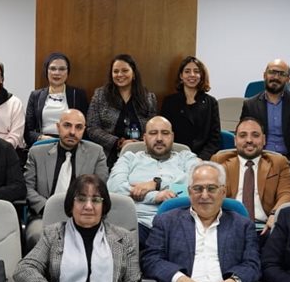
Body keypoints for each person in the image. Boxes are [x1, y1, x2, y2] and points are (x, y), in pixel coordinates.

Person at [106, 115, 199, 246]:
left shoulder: (186, 158)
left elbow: (199, 184)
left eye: (165, 133)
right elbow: (113, 187)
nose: (159, 138)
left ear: (172, 137)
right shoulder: (129, 158)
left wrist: (156, 183)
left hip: (179, 223)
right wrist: (155, 196)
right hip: (138, 223)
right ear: (144, 138)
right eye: (153, 133)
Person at [23, 109, 109, 247]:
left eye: (78, 127)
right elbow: (27, 188)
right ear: (58, 127)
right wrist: (48, 207)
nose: (72, 132)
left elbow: (100, 190)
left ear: (84, 130)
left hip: (84, 216)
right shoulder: (37, 153)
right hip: (44, 215)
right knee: (37, 234)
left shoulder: (96, 153)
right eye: (67, 125)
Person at [211, 117, 290, 227]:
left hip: (264, 227)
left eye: (255, 135)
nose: (249, 140)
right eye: (243, 135)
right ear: (235, 140)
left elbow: (287, 194)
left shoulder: (278, 163)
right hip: (229, 226)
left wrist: (275, 214)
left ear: (264, 140)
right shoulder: (219, 162)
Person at [240, 58, 290, 176]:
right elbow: (243, 136)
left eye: (281, 74)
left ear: (288, 79)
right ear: (264, 75)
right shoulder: (250, 105)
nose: (276, 77)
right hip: (259, 161)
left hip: (289, 163)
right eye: (272, 72)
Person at [86, 53, 158, 167]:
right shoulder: (100, 95)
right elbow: (92, 128)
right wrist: (119, 143)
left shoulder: (149, 98)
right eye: (115, 71)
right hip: (108, 155)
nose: (120, 74)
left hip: (142, 155)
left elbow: (153, 128)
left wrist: (136, 144)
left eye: (125, 70)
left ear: (133, 73)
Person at [160, 55, 221, 160]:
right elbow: (164, 133)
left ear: (201, 75)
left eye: (196, 71)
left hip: (202, 158)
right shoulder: (169, 102)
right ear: (181, 76)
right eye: (187, 71)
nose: (192, 75)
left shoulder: (211, 103)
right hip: (174, 157)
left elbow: (214, 139)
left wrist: (201, 158)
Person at [24, 52, 90, 147]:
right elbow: (28, 131)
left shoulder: (78, 94)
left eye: (62, 69)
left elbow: (85, 127)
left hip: (71, 143)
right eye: (53, 68)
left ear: (68, 72)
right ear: (46, 71)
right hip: (43, 143)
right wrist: (41, 138)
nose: (57, 73)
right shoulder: (35, 96)